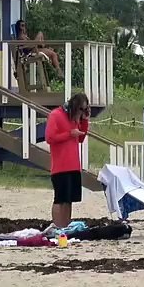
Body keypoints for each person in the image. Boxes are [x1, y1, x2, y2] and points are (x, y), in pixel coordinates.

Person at [44, 93, 89, 230]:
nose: (82, 112)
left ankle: (66, 227)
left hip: (74, 165)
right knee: (60, 199)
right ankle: (58, 226)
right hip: (60, 166)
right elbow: (50, 138)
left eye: (85, 109)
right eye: (81, 109)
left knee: (69, 200)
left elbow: (80, 139)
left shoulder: (75, 119)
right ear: (74, 107)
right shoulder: (56, 115)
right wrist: (69, 134)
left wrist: (85, 121)